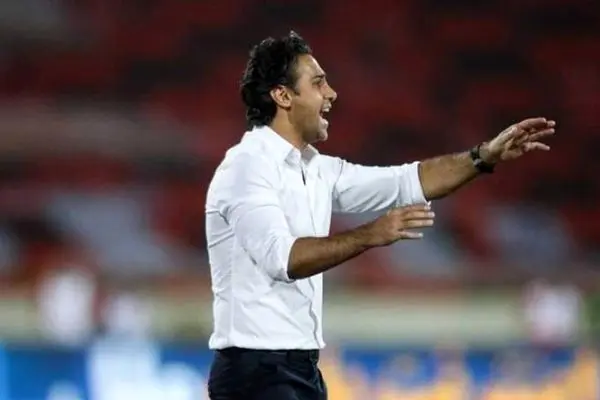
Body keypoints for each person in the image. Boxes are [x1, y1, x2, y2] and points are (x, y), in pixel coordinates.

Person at [204, 31, 555, 400]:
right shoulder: (247, 166)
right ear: (283, 95)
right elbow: (284, 259)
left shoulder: (316, 169)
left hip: (299, 368)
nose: (331, 94)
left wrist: (483, 156)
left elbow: (407, 181)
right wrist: (371, 234)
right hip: (255, 371)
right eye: (318, 83)